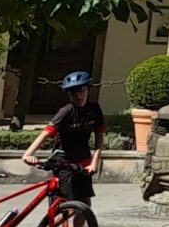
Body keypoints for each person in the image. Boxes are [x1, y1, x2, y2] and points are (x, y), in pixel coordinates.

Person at [20, 70, 105, 209]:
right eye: (72, 92)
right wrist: (28, 154)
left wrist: (94, 162)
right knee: (68, 208)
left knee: (85, 206)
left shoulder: (94, 109)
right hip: (64, 163)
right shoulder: (66, 112)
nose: (78, 95)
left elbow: (99, 137)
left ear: (88, 89)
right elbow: (46, 132)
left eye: (81, 90)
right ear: (68, 94)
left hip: (84, 163)